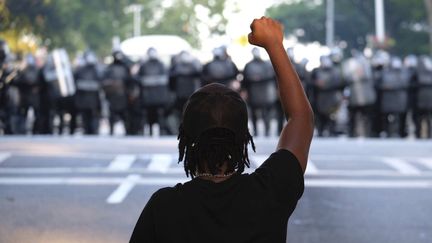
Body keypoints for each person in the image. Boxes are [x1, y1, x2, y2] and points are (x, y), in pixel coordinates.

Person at [130, 17, 314, 243]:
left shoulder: (164, 206)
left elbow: (301, 119)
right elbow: (301, 118)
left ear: (186, 139)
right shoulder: (269, 192)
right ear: (243, 139)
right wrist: (274, 44)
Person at [242, 47, 277, 136]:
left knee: (266, 112)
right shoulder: (248, 65)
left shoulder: (266, 64)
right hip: (253, 92)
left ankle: (267, 130)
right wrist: (244, 90)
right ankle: (256, 131)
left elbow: (272, 77)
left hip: (265, 92)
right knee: (254, 113)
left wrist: (260, 78)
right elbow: (245, 79)